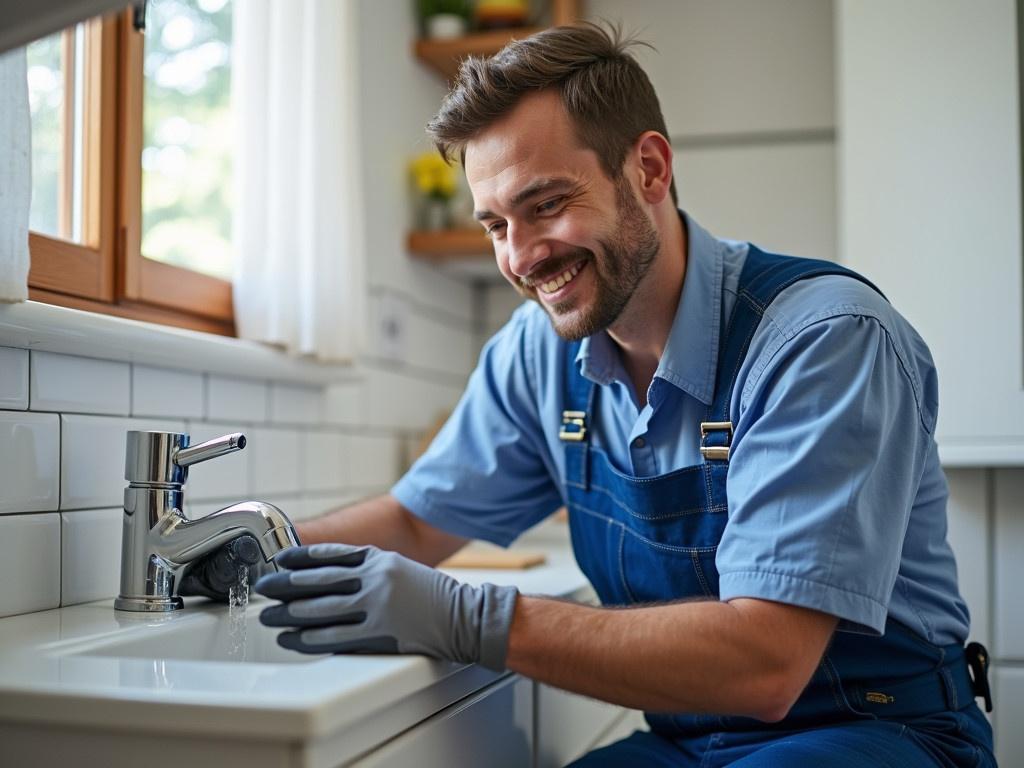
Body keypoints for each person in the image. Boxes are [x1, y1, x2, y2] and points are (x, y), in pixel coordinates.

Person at [243, 23, 999, 766]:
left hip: (881, 733)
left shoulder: (825, 340)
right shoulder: (539, 353)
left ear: (649, 169)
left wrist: (465, 618)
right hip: (690, 742)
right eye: (495, 224)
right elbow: (414, 521)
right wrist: (258, 549)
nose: (521, 257)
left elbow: (767, 662)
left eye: (545, 206)